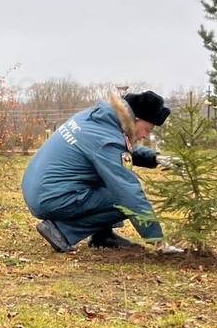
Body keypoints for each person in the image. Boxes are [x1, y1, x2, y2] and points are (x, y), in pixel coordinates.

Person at [22, 90, 182, 253]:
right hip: (51, 197)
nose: (146, 136)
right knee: (122, 198)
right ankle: (61, 232)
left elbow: (117, 148)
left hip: (39, 187)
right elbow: (127, 191)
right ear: (135, 120)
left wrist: (154, 157)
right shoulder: (106, 140)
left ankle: (103, 236)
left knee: (108, 181)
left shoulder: (96, 118)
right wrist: (157, 240)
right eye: (148, 129)